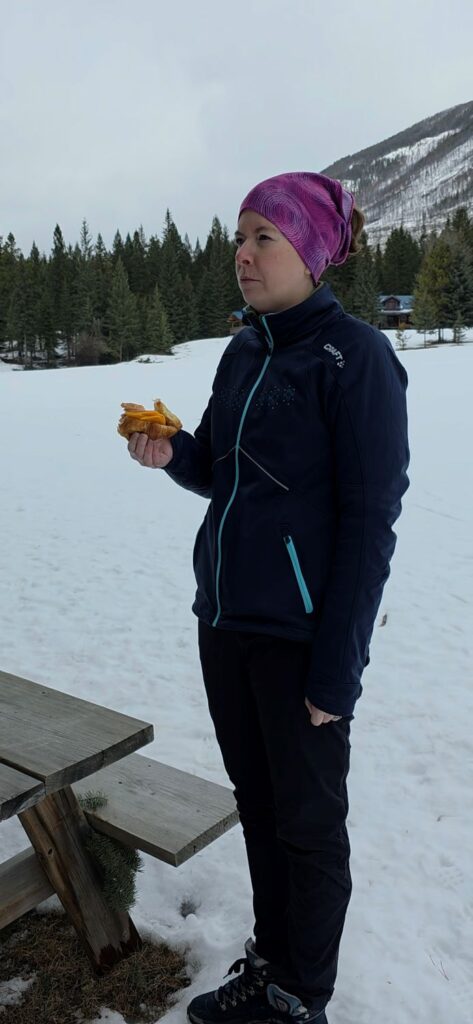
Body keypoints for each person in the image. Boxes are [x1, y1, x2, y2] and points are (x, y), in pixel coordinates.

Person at [128, 172, 410, 1024]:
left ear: (311, 253)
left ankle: (300, 996)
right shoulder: (244, 349)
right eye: (239, 236)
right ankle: (272, 961)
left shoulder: (355, 358)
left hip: (302, 640)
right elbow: (219, 468)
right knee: (258, 807)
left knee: (308, 826)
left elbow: (369, 525)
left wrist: (337, 671)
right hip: (225, 624)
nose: (242, 254)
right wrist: (172, 451)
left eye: (263, 238)